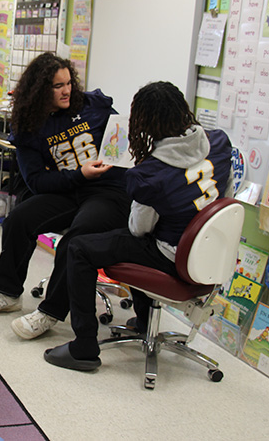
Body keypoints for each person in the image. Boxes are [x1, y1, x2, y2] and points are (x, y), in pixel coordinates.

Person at [44, 81, 233, 371]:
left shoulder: (150, 174)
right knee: (133, 240)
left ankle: (83, 347)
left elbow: (139, 229)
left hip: (173, 257)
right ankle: (145, 321)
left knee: (80, 248)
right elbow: (227, 197)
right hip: (209, 254)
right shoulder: (220, 142)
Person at [0, 52, 130, 340]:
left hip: (108, 192)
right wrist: (80, 175)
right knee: (18, 219)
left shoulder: (94, 106)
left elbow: (124, 141)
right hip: (70, 187)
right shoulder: (30, 125)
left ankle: (50, 312)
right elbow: (38, 182)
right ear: (40, 90)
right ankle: (7, 293)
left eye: (69, 83)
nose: (67, 90)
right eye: (57, 86)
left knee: (76, 239)